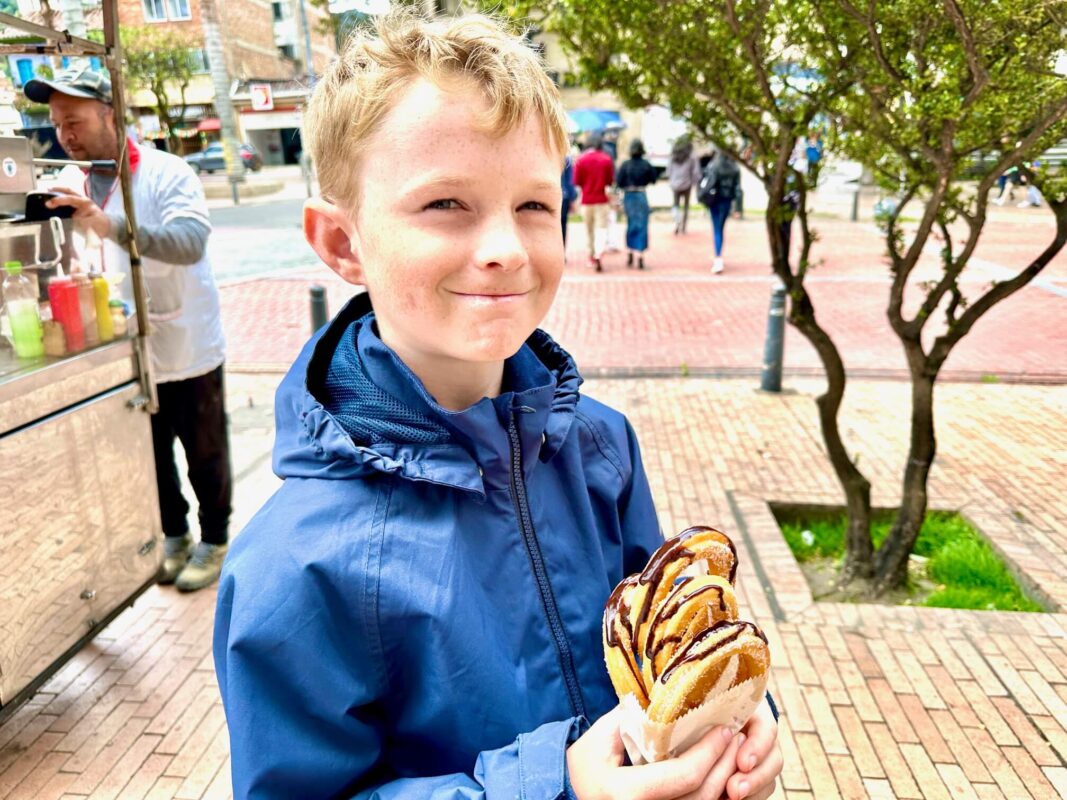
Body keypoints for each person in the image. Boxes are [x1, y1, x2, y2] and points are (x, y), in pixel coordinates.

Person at [213, 10, 782, 800]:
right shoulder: (295, 567)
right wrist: (557, 788)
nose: (506, 249)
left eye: (532, 207)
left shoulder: (599, 447)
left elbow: (668, 642)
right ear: (342, 244)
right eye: (445, 204)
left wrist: (731, 725)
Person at [26, 66, 232, 593]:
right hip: (122, 350)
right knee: (149, 452)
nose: (64, 134)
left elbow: (190, 243)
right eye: (56, 123)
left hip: (183, 342)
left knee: (204, 450)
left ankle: (215, 539)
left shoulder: (166, 173)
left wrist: (109, 224)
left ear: (108, 112)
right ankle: (175, 535)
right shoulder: (69, 182)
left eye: (74, 120)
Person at [574, 132, 615, 271]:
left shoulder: (581, 160)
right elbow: (609, 181)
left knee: (588, 230)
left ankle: (591, 256)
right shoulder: (606, 159)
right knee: (601, 228)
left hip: (586, 200)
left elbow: (577, 181)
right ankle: (599, 252)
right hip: (601, 200)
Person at [617, 138, 657, 269]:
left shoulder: (625, 165)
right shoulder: (646, 164)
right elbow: (653, 179)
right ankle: (640, 255)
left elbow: (619, 182)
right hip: (641, 194)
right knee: (642, 226)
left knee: (630, 224)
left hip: (629, 196)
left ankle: (629, 251)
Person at [700, 148, 742, 274]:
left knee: (717, 229)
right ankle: (718, 255)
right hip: (726, 201)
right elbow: (738, 189)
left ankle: (718, 257)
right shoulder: (735, 168)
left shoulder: (714, 166)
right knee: (721, 228)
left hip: (715, 201)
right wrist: (738, 208)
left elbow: (708, 183)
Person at [667, 135, 701, 234]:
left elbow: (669, 170)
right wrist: (694, 182)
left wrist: (671, 179)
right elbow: (696, 171)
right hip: (687, 184)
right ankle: (684, 227)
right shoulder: (691, 155)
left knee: (676, 205)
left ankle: (677, 223)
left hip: (675, 184)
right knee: (686, 206)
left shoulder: (673, 154)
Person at [561, 152, 578, 246]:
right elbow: (570, 180)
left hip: (548, 195)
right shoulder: (566, 158)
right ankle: (562, 250)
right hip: (564, 195)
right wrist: (573, 196)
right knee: (562, 224)